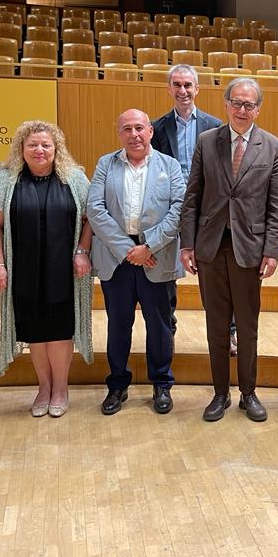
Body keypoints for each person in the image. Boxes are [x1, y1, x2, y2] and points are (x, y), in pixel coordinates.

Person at [179, 77, 278, 423]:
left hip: (250, 250)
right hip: (210, 247)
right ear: (226, 104)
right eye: (237, 103)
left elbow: (277, 205)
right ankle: (220, 394)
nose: (242, 110)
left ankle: (249, 393)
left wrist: (272, 250)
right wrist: (187, 243)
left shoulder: (273, 147)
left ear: (258, 108)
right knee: (215, 324)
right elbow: (192, 197)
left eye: (249, 105)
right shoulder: (207, 141)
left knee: (248, 324)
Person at [0, 121, 93, 418]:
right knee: (35, 332)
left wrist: (82, 251)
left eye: (46, 144)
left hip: (64, 271)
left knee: (59, 330)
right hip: (23, 271)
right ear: (22, 149)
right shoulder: (5, 180)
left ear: (57, 148)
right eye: (33, 145)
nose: (40, 150)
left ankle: (61, 389)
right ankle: (44, 387)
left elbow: (90, 219)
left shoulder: (75, 178)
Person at [88, 109, 185, 416]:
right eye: (127, 129)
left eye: (139, 128)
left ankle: (161, 384)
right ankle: (117, 384)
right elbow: (95, 208)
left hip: (156, 257)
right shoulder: (106, 163)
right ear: (119, 134)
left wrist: (148, 246)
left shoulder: (169, 166)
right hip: (117, 259)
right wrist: (128, 249)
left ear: (150, 132)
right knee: (118, 325)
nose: (134, 134)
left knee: (159, 326)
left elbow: (179, 210)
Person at [149, 65, 232, 352]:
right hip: (170, 210)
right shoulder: (157, 128)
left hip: (207, 210)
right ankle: (168, 327)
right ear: (169, 88)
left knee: (219, 274)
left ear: (197, 89)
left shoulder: (216, 126)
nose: (182, 91)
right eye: (177, 85)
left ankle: (228, 332)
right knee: (169, 272)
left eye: (187, 85)